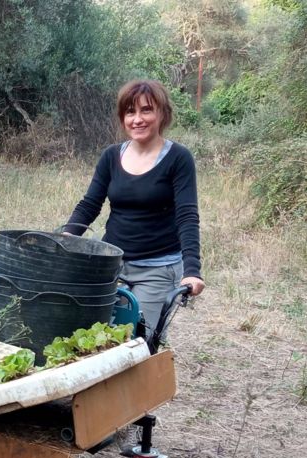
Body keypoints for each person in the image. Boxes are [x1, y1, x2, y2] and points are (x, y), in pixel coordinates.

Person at [64, 79, 205, 340]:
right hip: (112, 264)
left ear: (162, 114)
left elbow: (187, 215)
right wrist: (66, 237)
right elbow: (90, 204)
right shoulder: (111, 156)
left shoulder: (178, 158)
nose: (137, 119)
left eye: (146, 110)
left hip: (158, 270)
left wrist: (192, 270)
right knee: (95, 339)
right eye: (130, 112)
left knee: (137, 343)